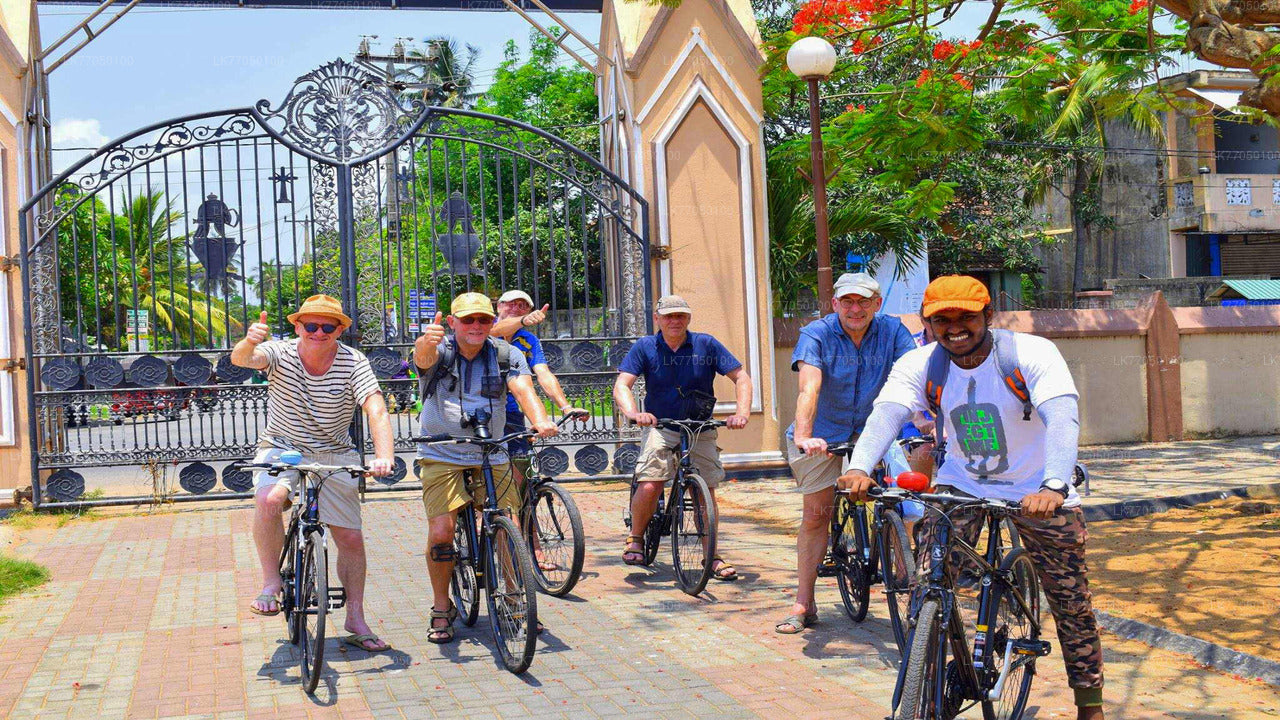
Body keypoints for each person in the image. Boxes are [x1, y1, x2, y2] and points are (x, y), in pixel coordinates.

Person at [840, 275, 1104, 719]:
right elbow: (886, 414)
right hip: (962, 485)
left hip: (1039, 491)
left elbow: (1062, 417)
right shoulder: (922, 364)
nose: (954, 327)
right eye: (942, 319)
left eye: (966, 317)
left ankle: (1090, 704)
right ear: (928, 323)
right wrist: (859, 467)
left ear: (989, 316)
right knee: (929, 581)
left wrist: (1055, 484)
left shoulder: (1031, 354)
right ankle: (925, 679)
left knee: (1070, 600)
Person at [232, 294, 395, 653]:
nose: (318, 332)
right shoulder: (279, 352)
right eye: (311, 325)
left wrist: (384, 456)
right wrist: (250, 340)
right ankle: (271, 582)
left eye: (328, 326)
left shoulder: (354, 362)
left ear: (340, 329)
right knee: (269, 498)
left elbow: (376, 409)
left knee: (350, 538)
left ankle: (355, 617)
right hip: (281, 444)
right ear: (297, 326)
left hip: (335, 452)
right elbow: (242, 359)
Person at [413, 292, 558, 644]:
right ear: (453, 322)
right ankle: (441, 607)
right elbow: (422, 358)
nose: (476, 326)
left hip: (491, 452)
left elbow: (524, 391)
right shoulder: (441, 350)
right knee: (442, 532)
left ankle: (514, 598)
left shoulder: (506, 353)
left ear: (492, 322)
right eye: (467, 320)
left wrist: (541, 420)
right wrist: (423, 341)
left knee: (507, 522)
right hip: (442, 451)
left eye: (482, 319)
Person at [777, 272, 916, 634]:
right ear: (835, 304)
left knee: (904, 503)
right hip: (822, 436)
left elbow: (915, 378)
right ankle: (803, 602)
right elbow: (810, 387)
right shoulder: (817, 334)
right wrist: (806, 435)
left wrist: (928, 421)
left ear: (877, 304)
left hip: (873, 433)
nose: (856, 308)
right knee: (816, 515)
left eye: (864, 301)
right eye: (848, 301)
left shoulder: (894, 332)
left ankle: (912, 583)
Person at [614, 294, 751, 580]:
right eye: (668, 316)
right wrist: (634, 413)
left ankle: (711, 556)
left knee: (705, 493)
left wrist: (742, 412)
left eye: (680, 316)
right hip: (662, 427)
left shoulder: (706, 344)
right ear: (658, 319)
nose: (674, 321)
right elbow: (622, 385)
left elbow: (741, 377)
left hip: (699, 427)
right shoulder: (645, 347)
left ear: (688, 318)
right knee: (651, 484)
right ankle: (636, 537)